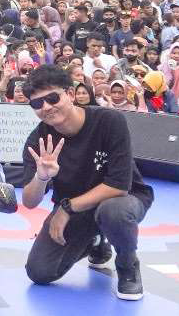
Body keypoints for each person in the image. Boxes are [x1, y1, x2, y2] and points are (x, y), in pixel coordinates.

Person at [20, 64, 152, 301]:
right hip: (75, 209)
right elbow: (29, 201)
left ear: (70, 94)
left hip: (121, 199)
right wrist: (42, 177)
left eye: (52, 98)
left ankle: (127, 264)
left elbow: (119, 185)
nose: (46, 107)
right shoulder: (39, 140)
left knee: (113, 211)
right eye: (37, 103)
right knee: (40, 271)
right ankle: (95, 241)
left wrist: (67, 207)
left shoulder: (109, 121)